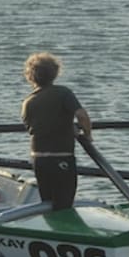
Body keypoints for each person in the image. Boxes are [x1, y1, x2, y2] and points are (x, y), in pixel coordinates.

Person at [20, 52, 93, 211]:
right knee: (64, 204)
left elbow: (35, 127)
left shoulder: (28, 102)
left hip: (38, 158)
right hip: (61, 156)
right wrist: (87, 135)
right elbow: (81, 115)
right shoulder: (63, 93)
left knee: (47, 203)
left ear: (30, 76)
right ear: (55, 73)